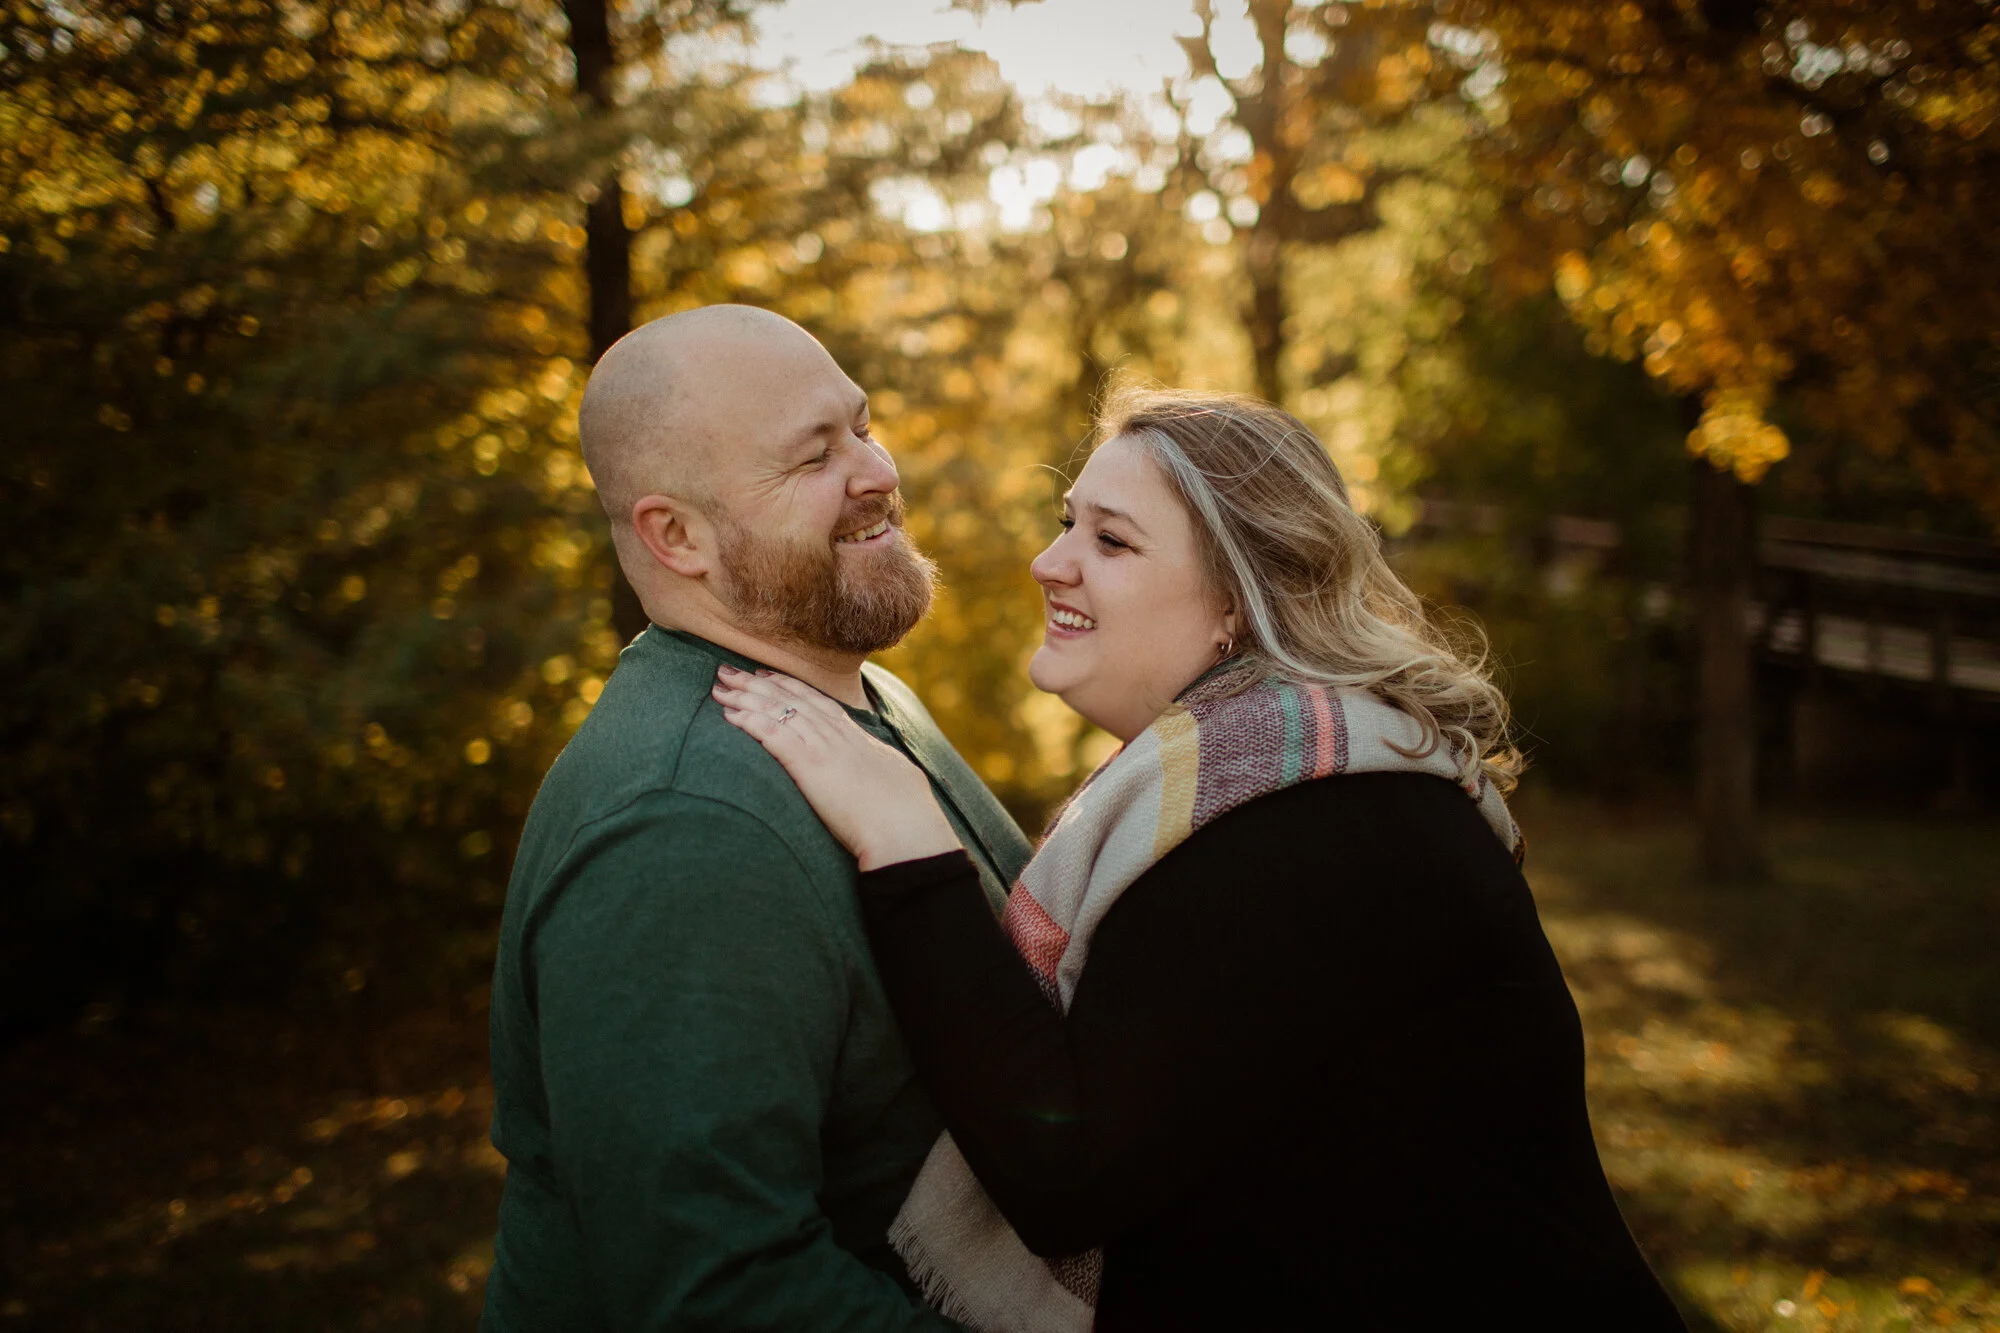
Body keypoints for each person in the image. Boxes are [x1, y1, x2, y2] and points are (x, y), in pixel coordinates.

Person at [713, 386, 1690, 1332]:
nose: (1048, 562)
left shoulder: (1312, 825)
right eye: (1067, 522)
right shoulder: (1254, 783)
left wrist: (906, 844)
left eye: (1111, 541)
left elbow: (1066, 1174)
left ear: (1236, 600)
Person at [480, 305, 1032, 1332]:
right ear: (676, 536)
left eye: (861, 426)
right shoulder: (680, 828)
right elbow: (719, 1293)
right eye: (813, 457)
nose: (877, 471)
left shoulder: (851, 696)